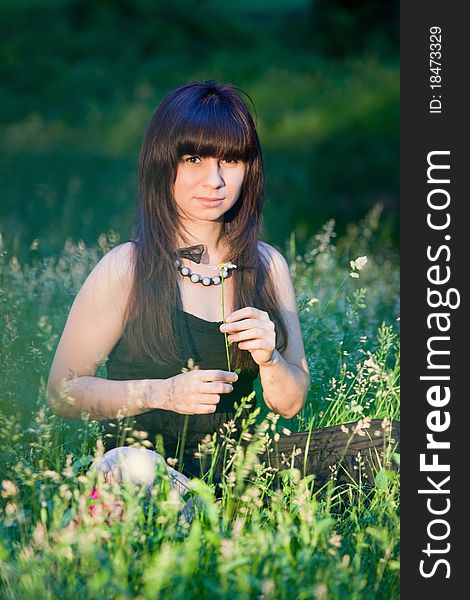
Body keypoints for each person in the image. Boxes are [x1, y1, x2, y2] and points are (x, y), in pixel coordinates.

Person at [46, 80, 311, 503]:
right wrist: (162, 393)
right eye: (194, 159)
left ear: (250, 170)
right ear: (162, 164)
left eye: (231, 161)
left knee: (389, 444)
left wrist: (270, 357)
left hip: (237, 485)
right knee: (130, 466)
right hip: (142, 480)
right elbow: (62, 391)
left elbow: (291, 402)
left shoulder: (267, 266)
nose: (215, 180)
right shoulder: (126, 267)